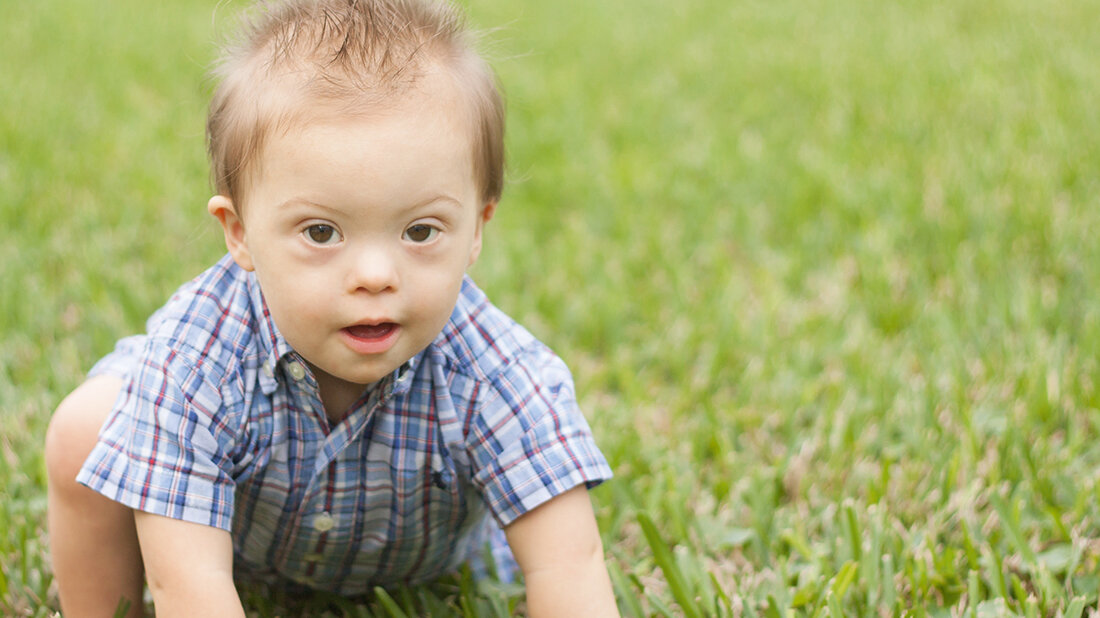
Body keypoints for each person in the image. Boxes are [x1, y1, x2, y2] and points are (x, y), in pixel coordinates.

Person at [43, 0, 618, 615]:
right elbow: (188, 586)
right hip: (232, 544)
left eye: (420, 231)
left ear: (477, 228)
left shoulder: (498, 374)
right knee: (85, 429)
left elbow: (568, 563)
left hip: (420, 562)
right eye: (321, 233)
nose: (375, 276)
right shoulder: (194, 363)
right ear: (240, 232)